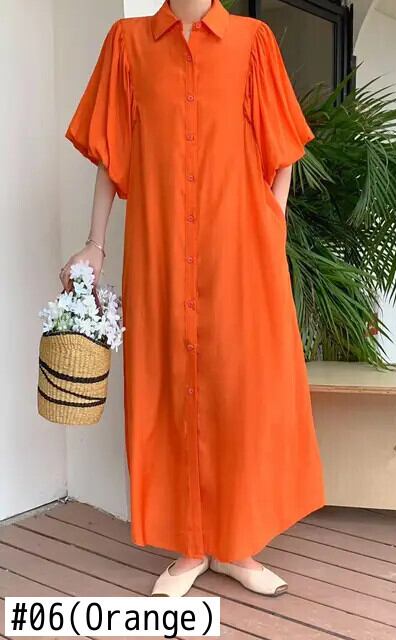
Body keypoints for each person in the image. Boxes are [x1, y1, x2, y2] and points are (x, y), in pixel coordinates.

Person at [61, 0, 326, 597]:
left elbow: (283, 151)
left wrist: (270, 228)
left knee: (240, 393)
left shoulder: (252, 42)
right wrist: (95, 244)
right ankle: (190, 549)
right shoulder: (128, 44)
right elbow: (110, 154)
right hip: (159, 254)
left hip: (239, 256)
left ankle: (236, 546)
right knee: (170, 389)